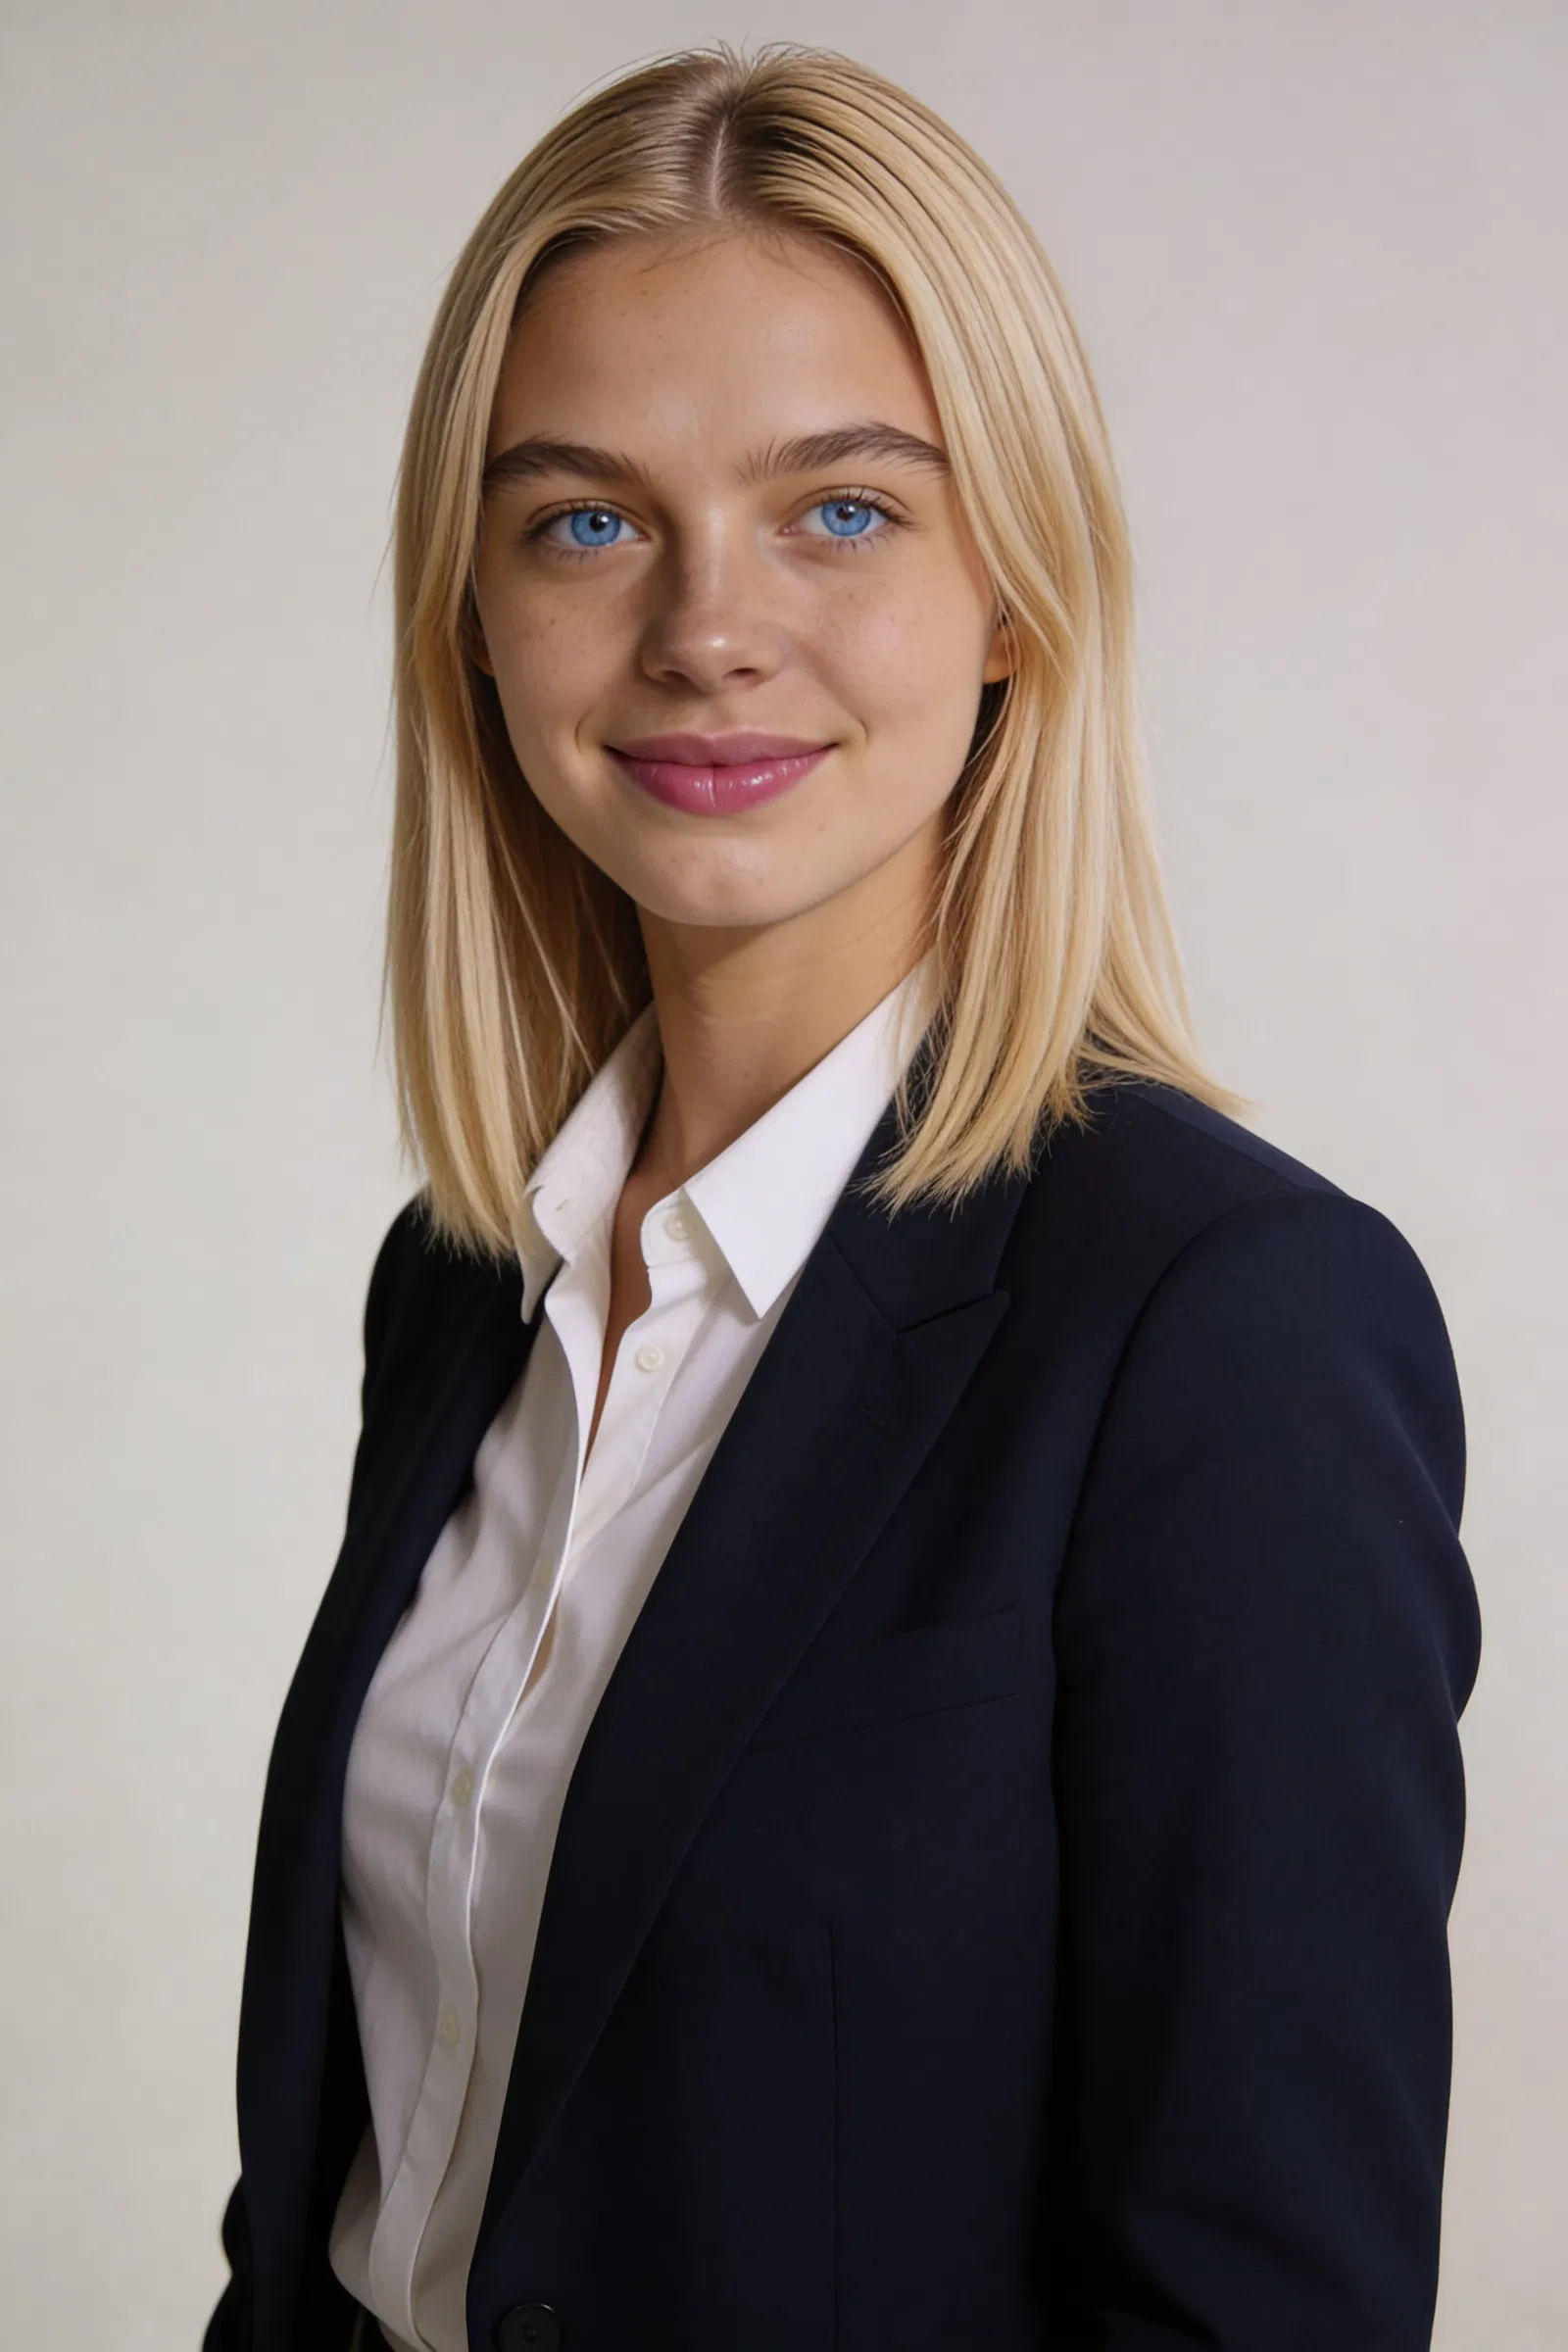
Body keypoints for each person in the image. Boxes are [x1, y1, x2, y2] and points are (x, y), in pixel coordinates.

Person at [203, 40, 1480, 2352]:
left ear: (1014, 591)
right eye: (584, 522)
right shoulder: (461, 1285)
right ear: (470, 613)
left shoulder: (1221, 1323)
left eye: (845, 511)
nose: (705, 627)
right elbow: (361, 2188)